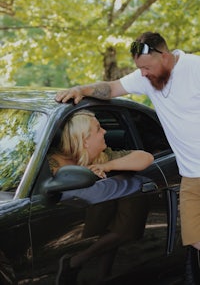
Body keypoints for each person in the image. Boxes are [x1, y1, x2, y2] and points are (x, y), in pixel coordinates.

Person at [55, 31, 200, 281]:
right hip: (191, 176)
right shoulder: (147, 79)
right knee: (195, 238)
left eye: (146, 67)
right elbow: (111, 88)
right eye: (139, 69)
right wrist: (81, 88)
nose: (142, 74)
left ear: (164, 56)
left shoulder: (195, 69)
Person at [48, 109, 154, 285]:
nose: (105, 131)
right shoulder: (54, 161)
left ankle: (79, 263)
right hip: (74, 214)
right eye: (98, 129)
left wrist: (107, 166)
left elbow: (145, 158)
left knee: (122, 223)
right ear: (85, 140)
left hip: (103, 206)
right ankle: (86, 267)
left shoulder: (103, 156)